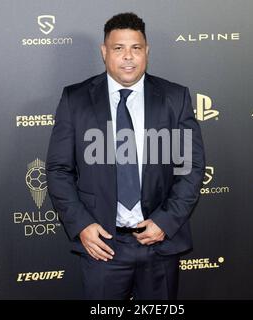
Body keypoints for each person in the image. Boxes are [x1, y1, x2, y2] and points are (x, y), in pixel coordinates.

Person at [46, 12, 205, 300]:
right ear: (104, 52)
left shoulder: (175, 97)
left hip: (159, 242)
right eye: (119, 48)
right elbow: (58, 170)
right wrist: (82, 224)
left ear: (147, 52)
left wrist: (165, 223)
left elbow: (190, 167)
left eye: (136, 48)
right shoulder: (76, 99)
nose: (128, 57)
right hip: (103, 245)